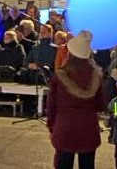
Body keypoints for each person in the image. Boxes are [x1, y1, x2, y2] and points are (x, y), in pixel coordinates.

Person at [47, 30, 107, 169]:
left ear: (71, 53)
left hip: (64, 127)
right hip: (88, 128)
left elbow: (51, 105)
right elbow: (101, 104)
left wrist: (51, 126)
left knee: (63, 164)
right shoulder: (96, 76)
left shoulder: (60, 75)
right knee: (87, 165)